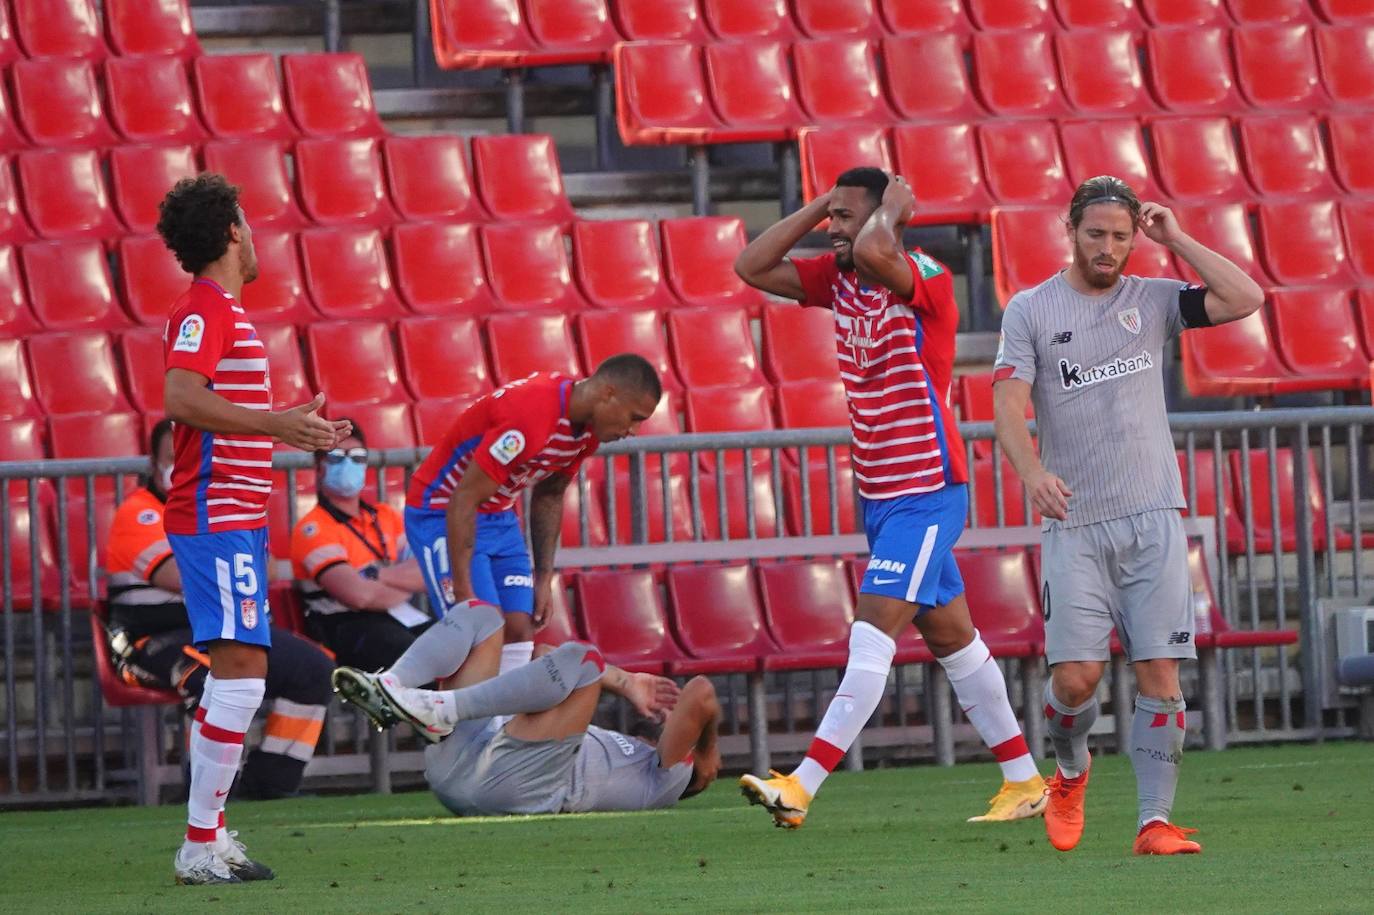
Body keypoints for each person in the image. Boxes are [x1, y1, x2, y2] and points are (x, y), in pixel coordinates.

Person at [732, 167, 1045, 828]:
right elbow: (752, 265)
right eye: (832, 218)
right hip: (880, 494)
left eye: (846, 218)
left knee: (870, 634)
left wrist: (892, 212)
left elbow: (879, 250)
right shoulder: (839, 279)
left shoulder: (922, 273)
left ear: (883, 219)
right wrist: (823, 204)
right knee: (956, 639)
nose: (834, 230)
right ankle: (1023, 778)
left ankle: (802, 784)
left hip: (927, 487)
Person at [991, 176, 1264, 856]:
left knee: (1159, 672)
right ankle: (1072, 768)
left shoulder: (1155, 299)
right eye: (1095, 234)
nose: (1108, 247)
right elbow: (1007, 403)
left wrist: (1176, 238)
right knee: (1075, 679)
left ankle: (1153, 822)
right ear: (1071, 229)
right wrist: (1031, 473)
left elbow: (1246, 297)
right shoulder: (1030, 309)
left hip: (1153, 515)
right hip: (1077, 523)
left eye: (1120, 235)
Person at [157, 174, 350, 885]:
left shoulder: (224, 311)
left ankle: (206, 838)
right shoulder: (204, 309)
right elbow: (181, 396)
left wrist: (297, 428)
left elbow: (218, 410)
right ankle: (200, 845)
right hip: (215, 516)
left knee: (242, 676)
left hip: (233, 516)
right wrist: (275, 423)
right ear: (233, 231)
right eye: (250, 218)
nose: (257, 231)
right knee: (241, 678)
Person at [105, 419, 335, 802]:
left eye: (192, 457)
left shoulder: (225, 511)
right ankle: (208, 792)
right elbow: (182, 577)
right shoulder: (140, 513)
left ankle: (271, 785)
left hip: (223, 627)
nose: (184, 467)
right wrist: (236, 564)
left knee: (314, 669)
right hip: (153, 641)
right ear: (152, 462)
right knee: (210, 676)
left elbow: (266, 568)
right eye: (172, 458)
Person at [331, 601, 721, 816]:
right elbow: (548, 660)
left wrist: (707, 748)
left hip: (515, 791)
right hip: (465, 768)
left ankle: (439, 708)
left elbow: (701, 693)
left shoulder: (662, 778)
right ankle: (392, 687)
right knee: (480, 615)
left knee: (586, 659)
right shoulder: (612, 742)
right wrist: (627, 682)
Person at [404, 355, 661, 674]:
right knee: (479, 633)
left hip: (499, 515)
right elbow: (464, 498)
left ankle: (506, 723)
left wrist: (543, 577)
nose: (634, 431)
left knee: (520, 628)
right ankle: (454, 719)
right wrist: (463, 593)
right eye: (634, 417)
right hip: (443, 511)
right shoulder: (530, 415)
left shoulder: (588, 432)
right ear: (607, 393)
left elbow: (550, 495)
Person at [290, 423, 431, 671]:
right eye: (336, 457)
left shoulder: (386, 515)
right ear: (318, 467)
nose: (349, 465)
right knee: (416, 661)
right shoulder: (311, 528)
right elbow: (359, 596)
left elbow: (425, 574)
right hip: (343, 625)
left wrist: (376, 575)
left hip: (397, 615)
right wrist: (402, 585)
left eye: (358, 457)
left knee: (455, 646)